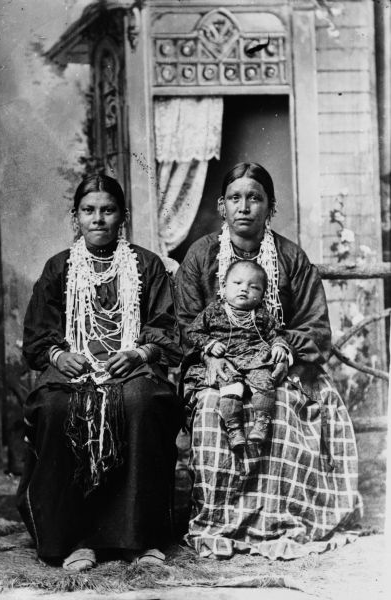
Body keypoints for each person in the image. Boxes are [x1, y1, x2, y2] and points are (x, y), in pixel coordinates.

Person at [175, 162, 362, 560]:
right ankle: (220, 520)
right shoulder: (201, 256)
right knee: (212, 409)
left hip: (280, 364)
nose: (244, 207)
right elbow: (186, 323)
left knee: (285, 409)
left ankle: (278, 518)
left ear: (270, 207)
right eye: (235, 198)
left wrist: (286, 349)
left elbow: (316, 327)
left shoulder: (290, 257)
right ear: (222, 206)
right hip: (216, 365)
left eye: (255, 198)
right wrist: (209, 356)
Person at [17, 173, 183, 572]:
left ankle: (139, 538)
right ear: (75, 217)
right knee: (58, 409)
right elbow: (39, 336)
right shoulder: (60, 268)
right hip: (74, 370)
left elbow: (167, 327)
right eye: (89, 211)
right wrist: (58, 356)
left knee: (142, 403)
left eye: (107, 211)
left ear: (121, 217)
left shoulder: (147, 265)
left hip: (130, 368)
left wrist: (141, 352)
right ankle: (75, 539)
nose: (98, 219)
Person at [185, 260, 290, 450]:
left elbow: (277, 334)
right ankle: (234, 430)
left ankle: (261, 423)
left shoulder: (262, 314)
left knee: (264, 383)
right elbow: (193, 332)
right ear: (223, 287)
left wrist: (279, 347)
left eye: (254, 287)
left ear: (262, 295)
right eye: (237, 283)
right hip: (226, 360)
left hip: (255, 359)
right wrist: (210, 344)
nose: (244, 289)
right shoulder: (213, 311)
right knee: (230, 387)